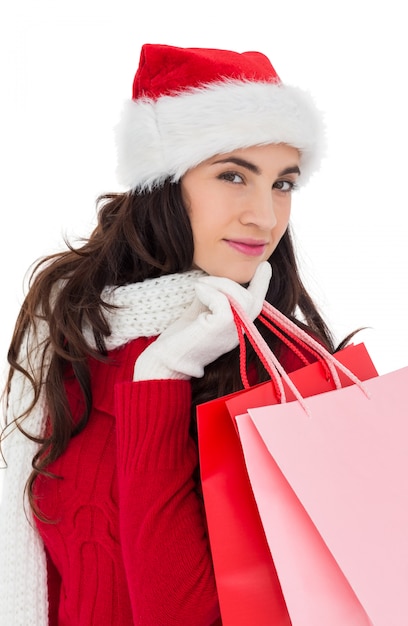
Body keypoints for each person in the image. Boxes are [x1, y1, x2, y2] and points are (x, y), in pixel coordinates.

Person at [0, 43, 341, 625]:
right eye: (234, 175)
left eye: (283, 184)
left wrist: (162, 377)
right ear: (163, 182)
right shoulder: (67, 326)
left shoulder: (285, 370)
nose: (264, 216)